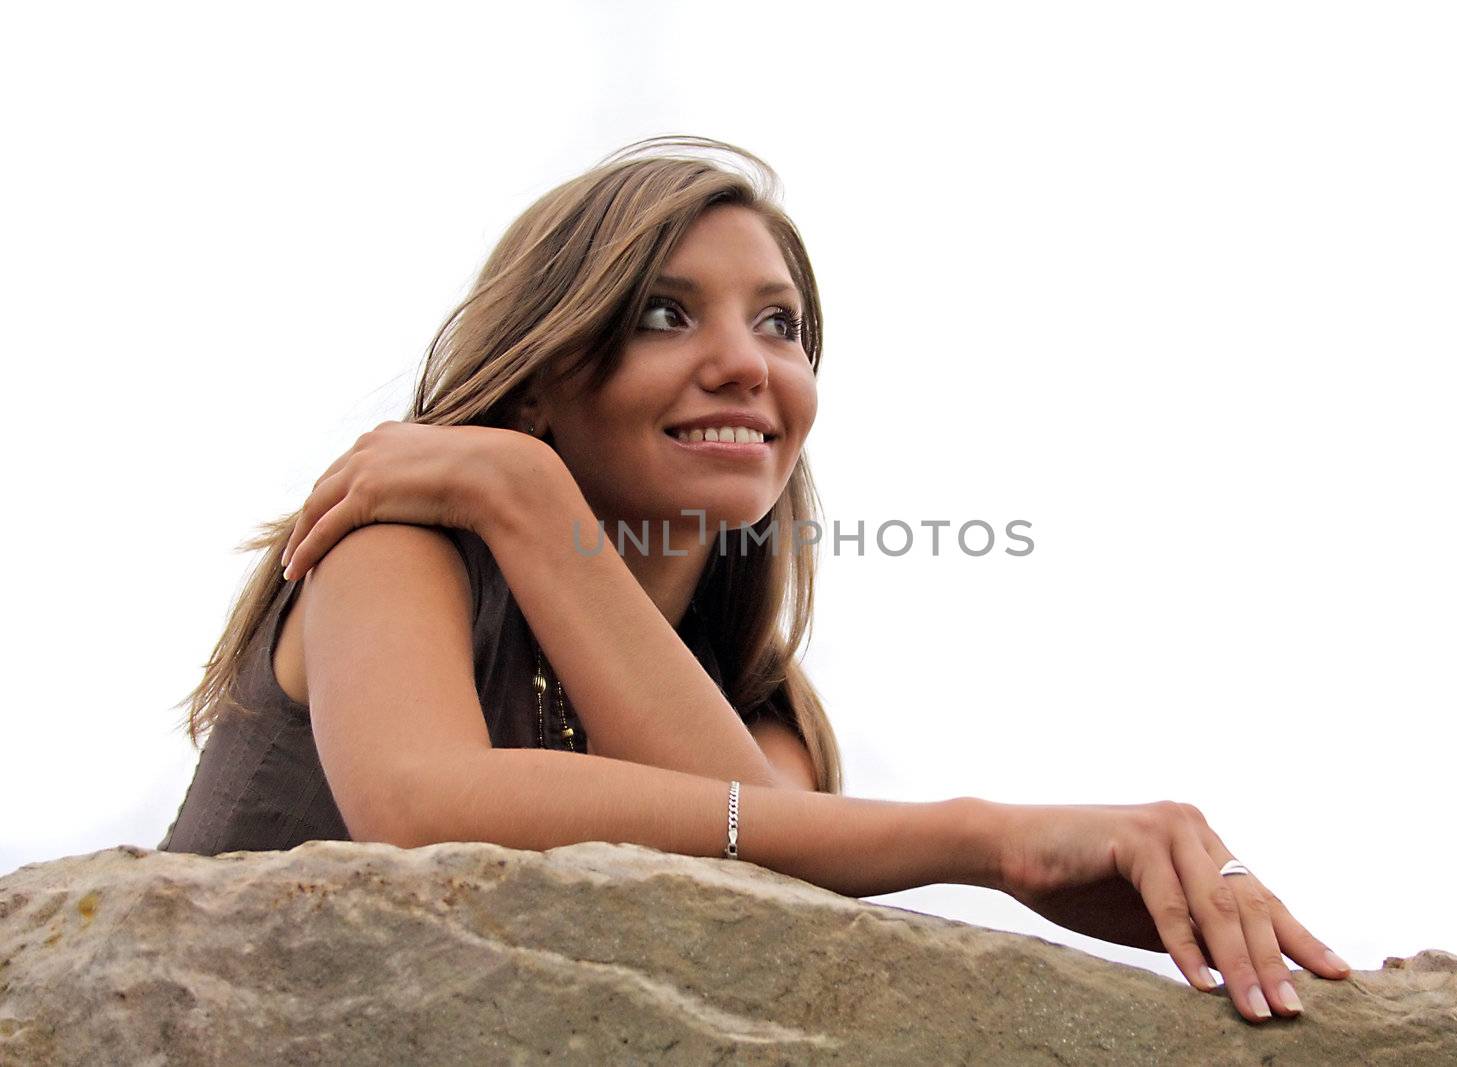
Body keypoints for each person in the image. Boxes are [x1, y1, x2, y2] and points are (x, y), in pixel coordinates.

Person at [159, 135, 1350, 1023]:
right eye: (667, 314)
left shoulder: (769, 711)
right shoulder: (390, 548)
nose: (743, 363)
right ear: (536, 377)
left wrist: (530, 503)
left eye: (781, 326)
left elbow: (762, 880)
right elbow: (421, 806)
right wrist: (521, 498)